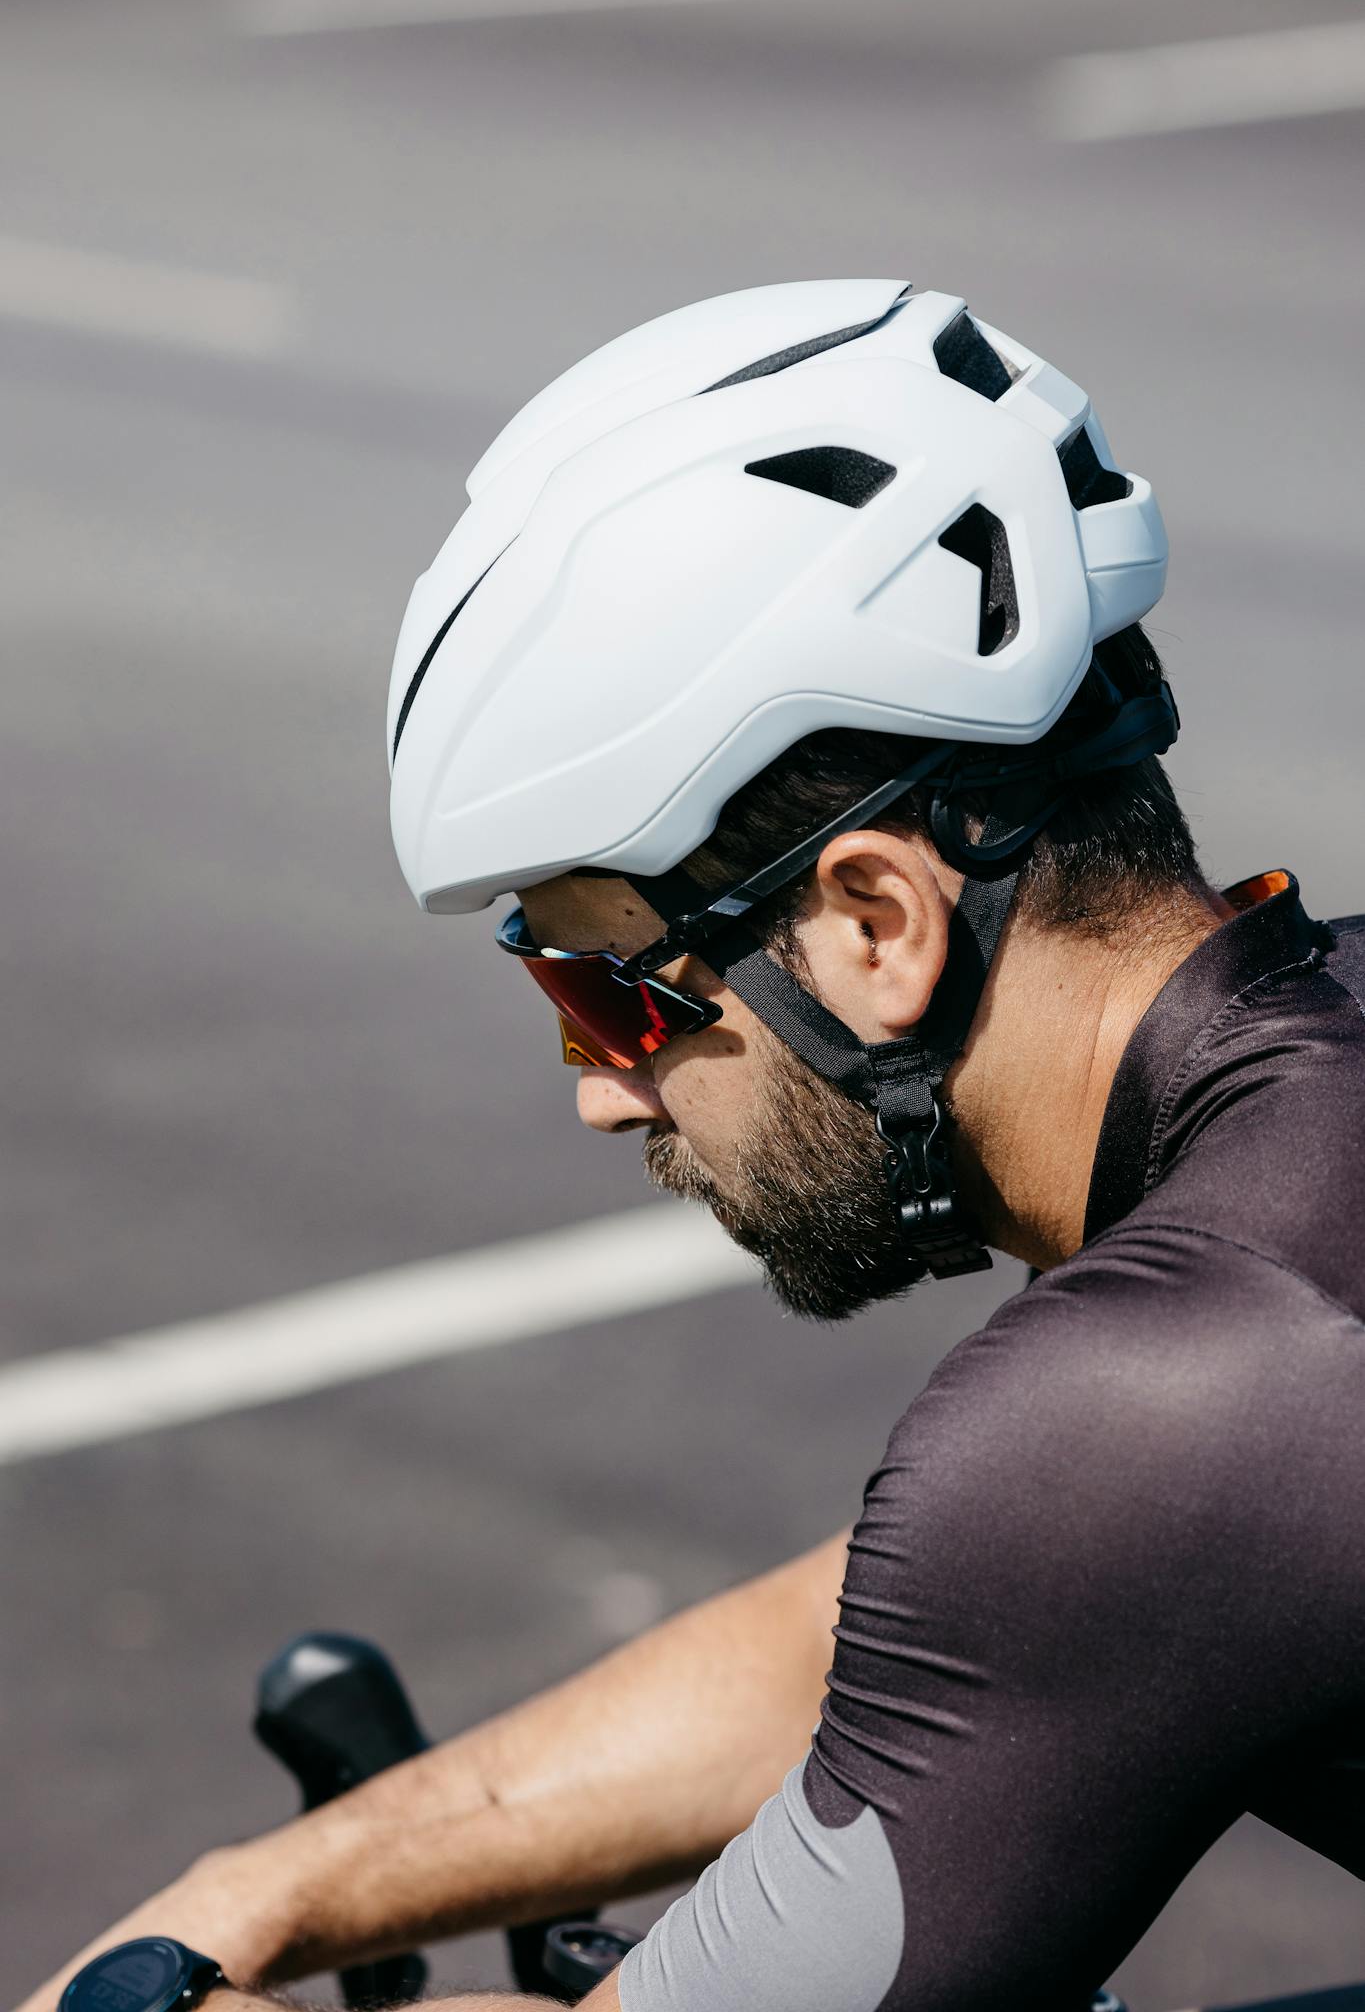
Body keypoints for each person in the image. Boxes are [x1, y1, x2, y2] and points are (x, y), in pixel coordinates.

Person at [30, 282, 1365, 2012]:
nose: (598, 1088)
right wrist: (269, 1891)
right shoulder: (1289, 1170)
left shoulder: (1184, 1395)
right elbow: (938, 1641)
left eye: (608, 991)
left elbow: (1043, 1562)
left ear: (873, 921)